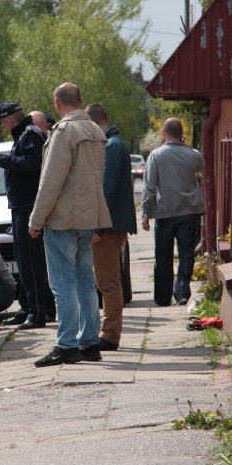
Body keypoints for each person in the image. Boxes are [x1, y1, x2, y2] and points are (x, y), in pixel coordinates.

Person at [28, 83, 111, 367]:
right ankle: (89, 342)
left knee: (63, 283)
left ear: (57, 103)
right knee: (87, 281)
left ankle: (66, 344)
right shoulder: (96, 131)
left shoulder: (64, 132)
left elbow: (51, 180)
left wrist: (36, 220)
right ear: (80, 100)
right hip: (89, 216)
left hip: (63, 218)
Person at [0, 102, 52, 330]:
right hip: (21, 206)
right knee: (24, 261)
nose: (3, 127)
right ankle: (28, 307)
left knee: (32, 262)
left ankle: (38, 312)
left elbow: (31, 165)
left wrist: (2, 159)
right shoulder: (23, 135)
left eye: (3, 122)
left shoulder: (30, 134)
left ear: (11, 120)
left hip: (28, 206)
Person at [85, 103, 137, 351]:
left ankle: (110, 334)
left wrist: (97, 225)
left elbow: (107, 189)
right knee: (107, 281)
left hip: (108, 225)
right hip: (112, 223)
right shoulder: (115, 144)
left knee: (108, 282)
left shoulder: (112, 146)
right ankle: (108, 331)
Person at [141, 117, 205, 306]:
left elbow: (149, 186)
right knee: (186, 253)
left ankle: (162, 297)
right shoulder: (193, 155)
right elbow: (201, 165)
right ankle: (182, 290)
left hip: (165, 212)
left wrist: (146, 213)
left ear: (164, 133)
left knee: (163, 256)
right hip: (189, 211)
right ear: (181, 134)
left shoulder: (156, 155)